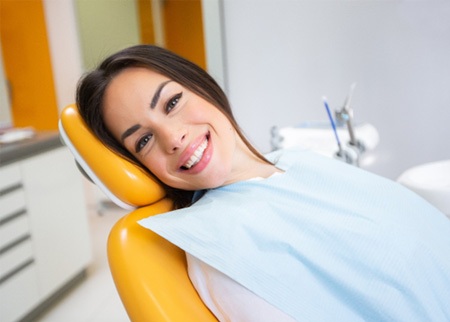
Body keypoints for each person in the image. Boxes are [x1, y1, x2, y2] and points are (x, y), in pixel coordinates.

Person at [76, 45, 450, 321]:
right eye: (142, 141)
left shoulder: (296, 161)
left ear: (202, 85)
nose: (172, 137)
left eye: (172, 103)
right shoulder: (222, 248)